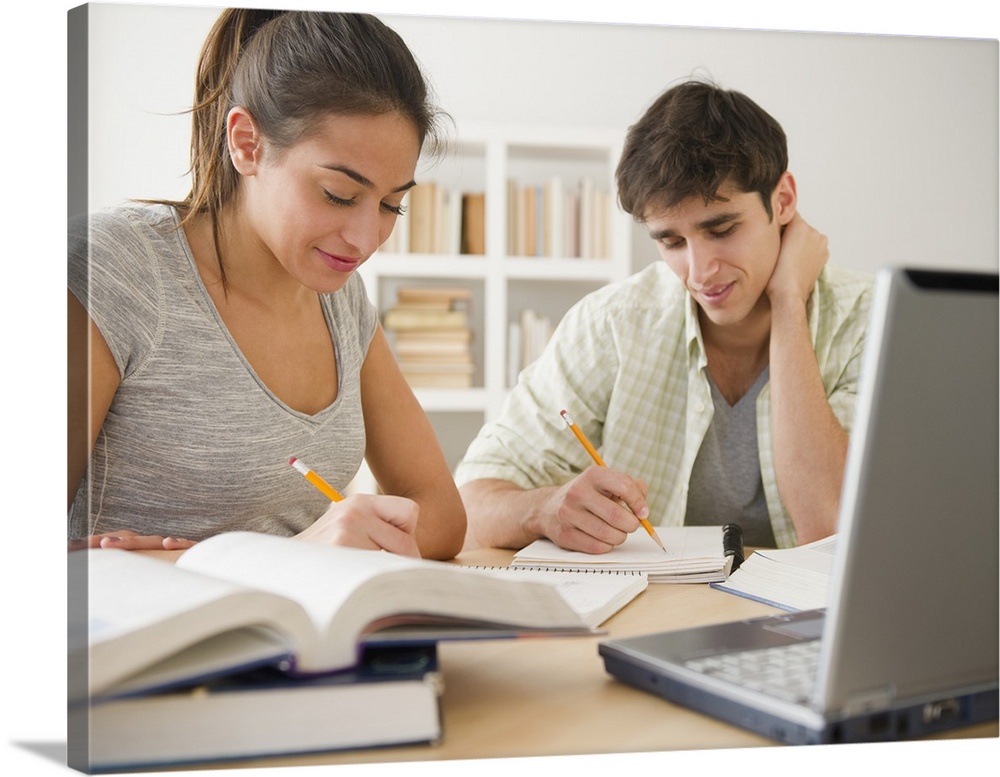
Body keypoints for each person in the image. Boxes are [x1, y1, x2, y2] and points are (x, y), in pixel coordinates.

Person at [67, 9, 466, 560]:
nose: (366, 237)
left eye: (391, 204)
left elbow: (441, 516)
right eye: (338, 195)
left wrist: (297, 554)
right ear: (247, 143)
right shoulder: (115, 267)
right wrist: (289, 555)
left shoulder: (341, 301)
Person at [455, 79, 872, 553]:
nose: (699, 271)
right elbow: (467, 508)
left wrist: (789, 303)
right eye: (671, 241)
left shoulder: (866, 322)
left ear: (783, 201)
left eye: (722, 228)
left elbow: (831, 530)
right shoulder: (612, 324)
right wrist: (544, 510)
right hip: (658, 613)